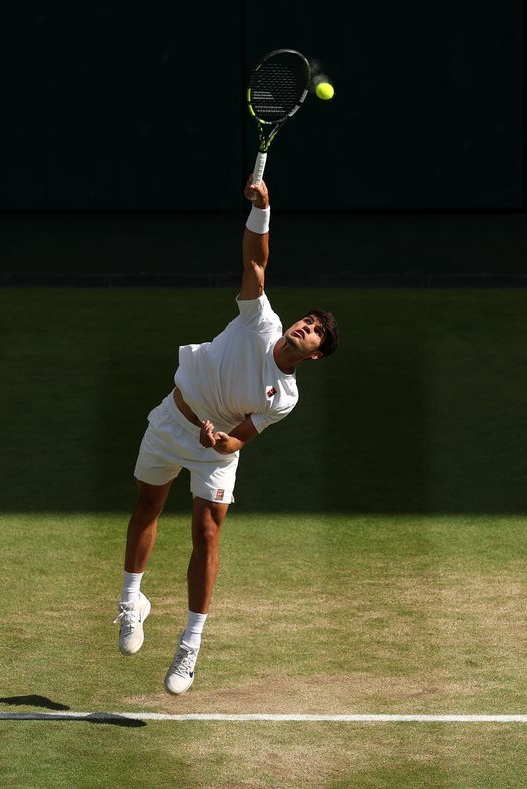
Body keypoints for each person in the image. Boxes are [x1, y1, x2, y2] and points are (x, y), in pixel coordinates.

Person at [114, 178, 339, 695]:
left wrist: (220, 444)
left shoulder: (285, 397)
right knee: (146, 507)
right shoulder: (261, 320)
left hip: (213, 452)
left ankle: (190, 642)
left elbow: (241, 439)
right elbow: (255, 264)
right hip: (173, 420)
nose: (300, 329)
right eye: (303, 322)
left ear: (316, 355)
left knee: (207, 534)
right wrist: (262, 210)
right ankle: (132, 600)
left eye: (311, 333)